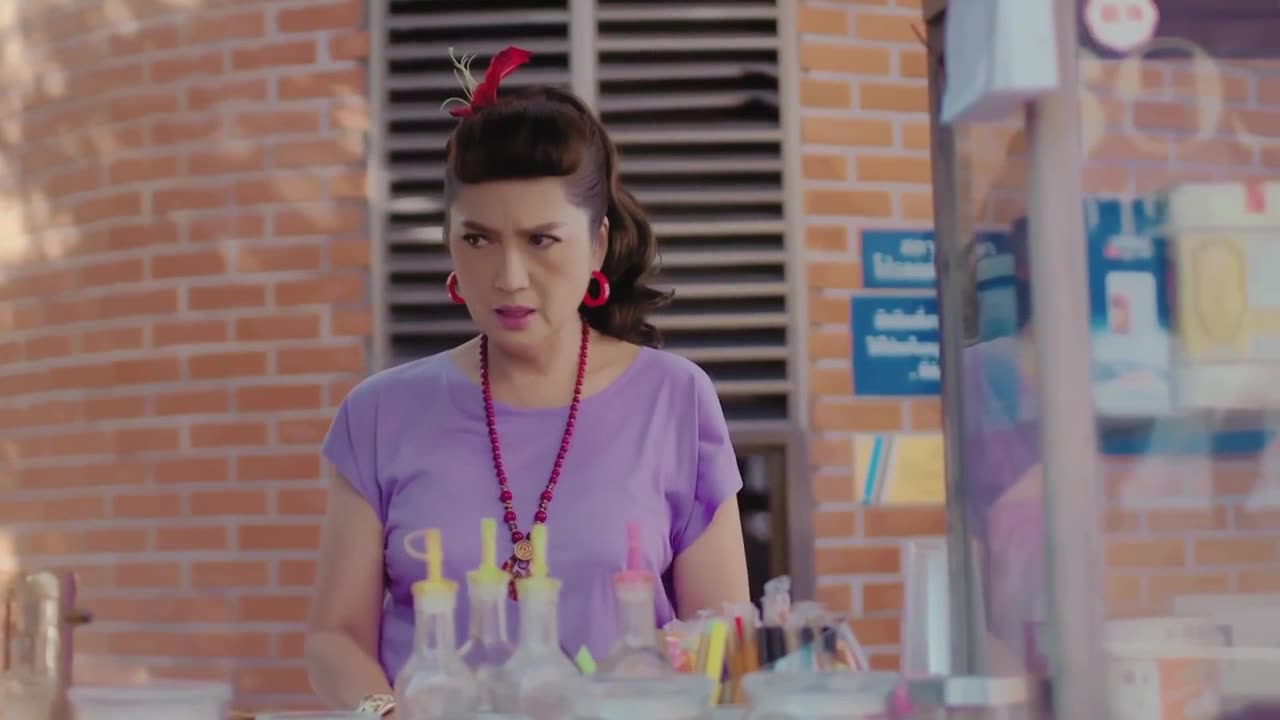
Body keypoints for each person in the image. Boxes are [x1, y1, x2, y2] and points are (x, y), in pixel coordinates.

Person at [302, 47, 751, 715]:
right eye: (477, 239)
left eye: (541, 240)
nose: (508, 277)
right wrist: (385, 713)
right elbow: (335, 636)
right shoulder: (379, 414)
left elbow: (722, 638)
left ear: (597, 243)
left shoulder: (675, 400)